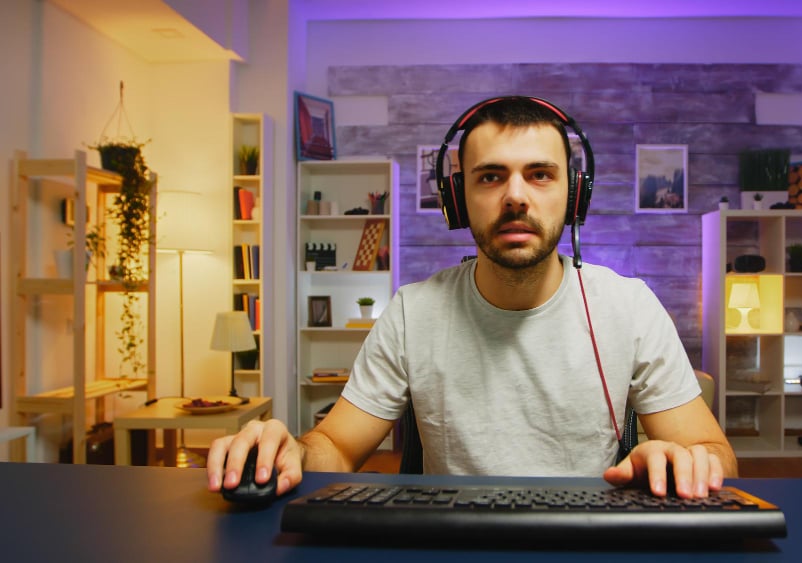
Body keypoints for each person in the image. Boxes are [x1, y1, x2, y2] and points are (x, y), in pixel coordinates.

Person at [207, 96, 737, 501]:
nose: (515, 196)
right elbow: (339, 447)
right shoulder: (414, 311)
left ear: (574, 195)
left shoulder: (629, 307)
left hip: (590, 538)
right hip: (450, 541)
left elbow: (718, 457)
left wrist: (685, 461)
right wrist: (290, 452)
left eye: (540, 174)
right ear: (458, 199)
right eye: (490, 176)